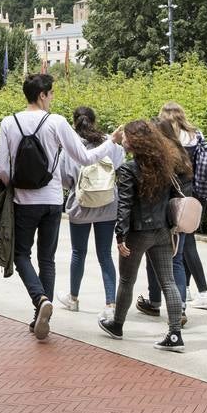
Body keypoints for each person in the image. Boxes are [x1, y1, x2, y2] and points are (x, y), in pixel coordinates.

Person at [0, 73, 97, 341]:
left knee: (20, 254)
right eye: (51, 94)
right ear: (42, 95)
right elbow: (85, 157)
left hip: (23, 202)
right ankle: (42, 311)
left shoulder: (9, 123)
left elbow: (3, 170)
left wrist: (15, 184)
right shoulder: (57, 122)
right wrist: (113, 142)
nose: (52, 98)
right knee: (47, 259)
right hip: (52, 201)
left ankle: (40, 301)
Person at [98, 120, 190, 352]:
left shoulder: (129, 169)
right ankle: (175, 334)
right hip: (162, 230)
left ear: (135, 141)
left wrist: (120, 235)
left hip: (138, 233)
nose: (125, 140)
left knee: (127, 280)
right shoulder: (164, 164)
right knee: (168, 282)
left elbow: (125, 205)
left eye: (127, 136)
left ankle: (117, 325)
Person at [139, 103, 207, 316]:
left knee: (153, 258)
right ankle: (180, 308)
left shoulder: (160, 155)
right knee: (178, 259)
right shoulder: (187, 146)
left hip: (161, 213)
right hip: (182, 209)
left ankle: (154, 302)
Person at [58, 106, 125, 321]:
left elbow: (65, 178)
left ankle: (74, 298)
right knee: (105, 254)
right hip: (107, 206)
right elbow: (120, 169)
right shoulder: (110, 142)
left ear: (74, 121)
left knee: (79, 253)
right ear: (95, 120)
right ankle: (110, 303)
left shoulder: (72, 145)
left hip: (81, 207)